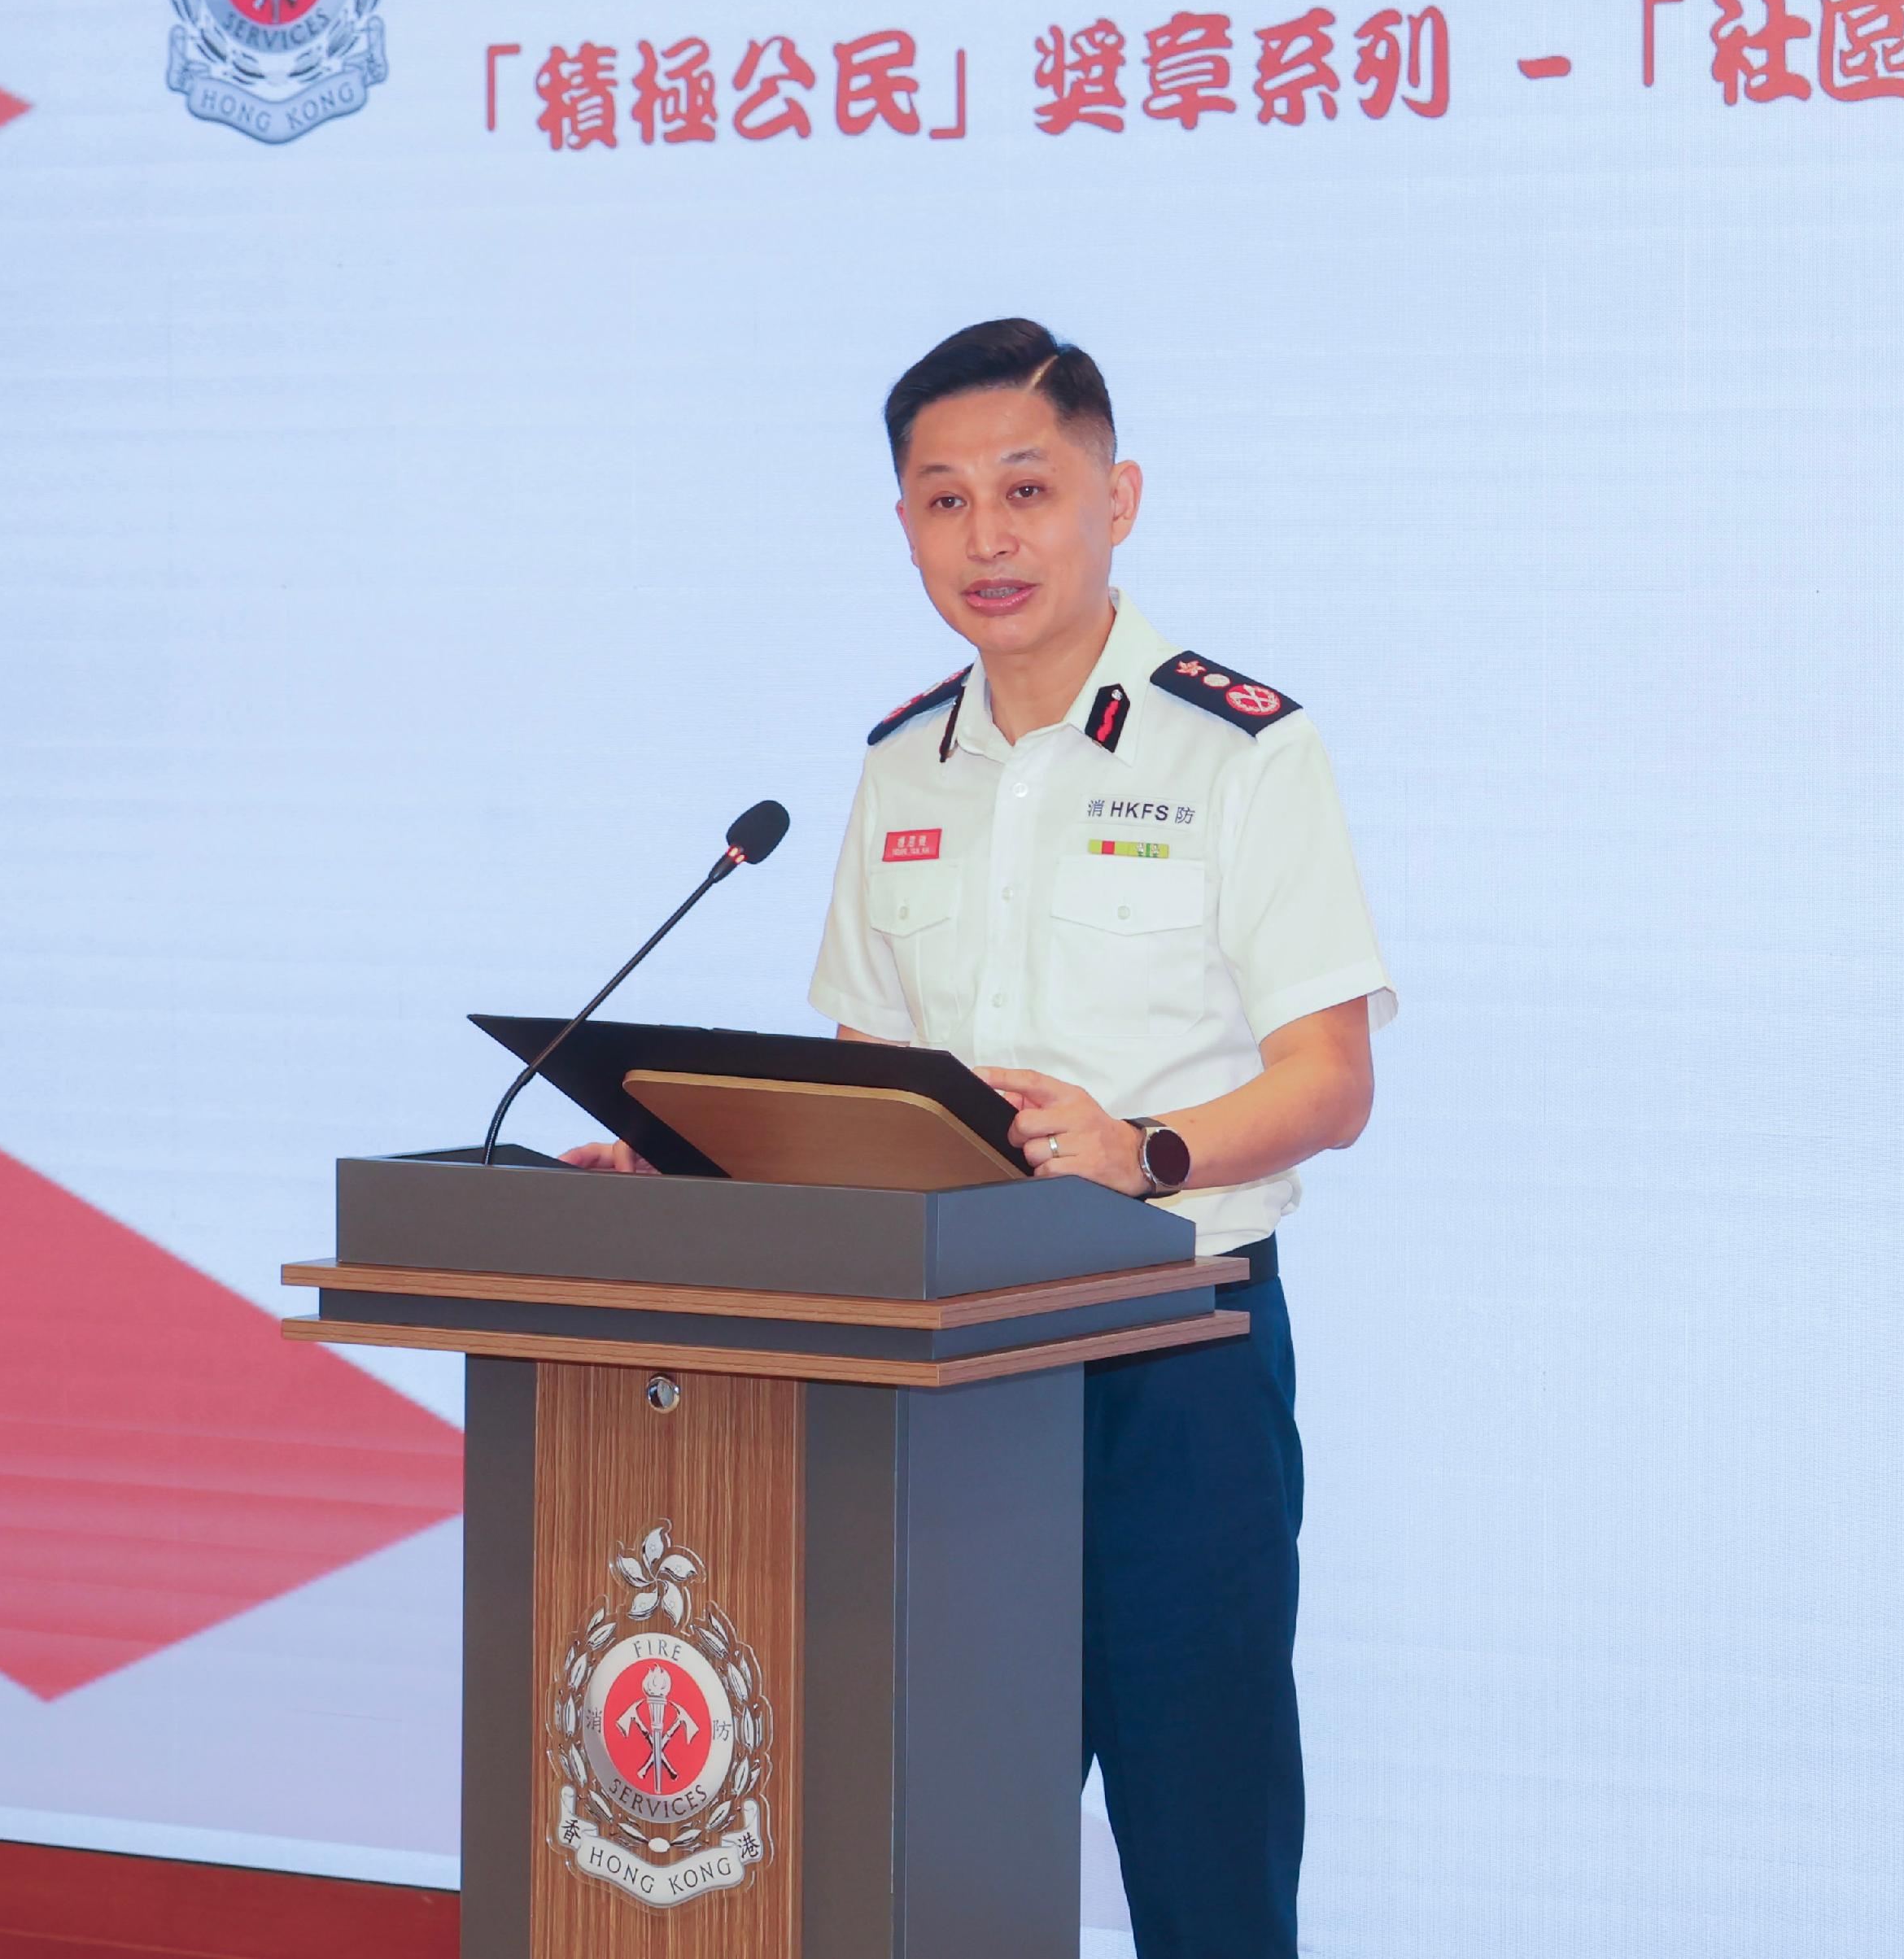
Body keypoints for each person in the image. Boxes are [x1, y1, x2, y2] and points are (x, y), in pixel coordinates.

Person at [570, 316, 1392, 1959]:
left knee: (1202, 1839)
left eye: (1027, 488)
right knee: (939, 1842)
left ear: (1118, 494)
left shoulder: (1237, 747)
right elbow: (877, 1088)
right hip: (949, 1376)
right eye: (942, 501)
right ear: (904, 530)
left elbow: (1328, 1074)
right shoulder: (895, 767)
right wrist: (705, 1161)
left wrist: (1143, 1147)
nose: (987, 536)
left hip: (1179, 1357)